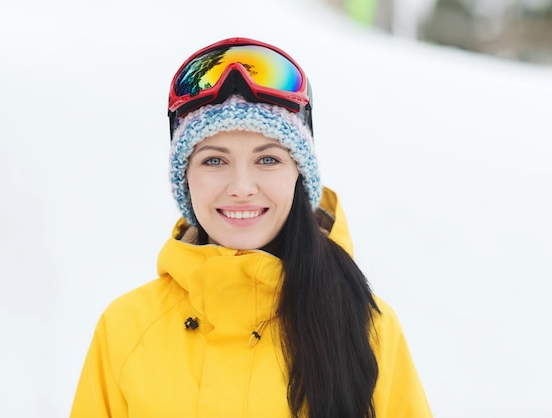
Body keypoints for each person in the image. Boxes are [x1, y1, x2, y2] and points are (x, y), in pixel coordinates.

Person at [70, 37, 432, 418]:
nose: (242, 187)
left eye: (268, 160)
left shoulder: (367, 328)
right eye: (214, 161)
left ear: (298, 174)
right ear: (186, 179)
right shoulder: (126, 328)